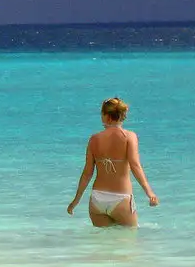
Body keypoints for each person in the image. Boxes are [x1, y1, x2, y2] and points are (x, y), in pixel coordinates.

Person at [67, 97, 159, 227]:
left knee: (103, 240)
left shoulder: (94, 139)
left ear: (107, 116)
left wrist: (75, 201)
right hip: (121, 199)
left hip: (97, 200)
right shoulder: (129, 137)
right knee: (129, 238)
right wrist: (149, 193)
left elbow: (87, 173)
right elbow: (135, 166)